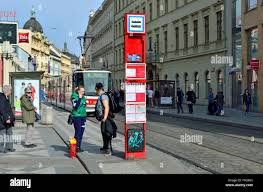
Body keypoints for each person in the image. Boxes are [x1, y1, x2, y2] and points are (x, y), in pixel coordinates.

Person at [96, 83, 117, 156]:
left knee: (107, 133)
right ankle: (105, 147)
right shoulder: (102, 96)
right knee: (103, 132)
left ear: (98, 89)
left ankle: (110, 150)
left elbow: (106, 107)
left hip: (107, 118)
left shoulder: (104, 96)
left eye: (96, 89)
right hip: (105, 117)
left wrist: (104, 118)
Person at [71, 86, 87, 153]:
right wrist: (80, 98)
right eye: (82, 91)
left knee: (81, 132)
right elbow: (76, 106)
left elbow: (83, 105)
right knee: (78, 131)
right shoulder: (74, 97)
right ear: (78, 91)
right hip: (77, 116)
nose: (84, 92)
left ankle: (78, 146)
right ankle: (74, 147)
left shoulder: (83, 97)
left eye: (84, 91)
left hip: (83, 116)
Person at [0, 85, 16, 153]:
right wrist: (7, 118)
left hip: (8, 119)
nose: (11, 92)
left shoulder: (6, 97)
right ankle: (1, 148)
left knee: (9, 133)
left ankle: (9, 147)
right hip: (4, 120)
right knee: (3, 134)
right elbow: (2, 109)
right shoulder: (2, 98)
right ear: (8, 91)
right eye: (10, 90)